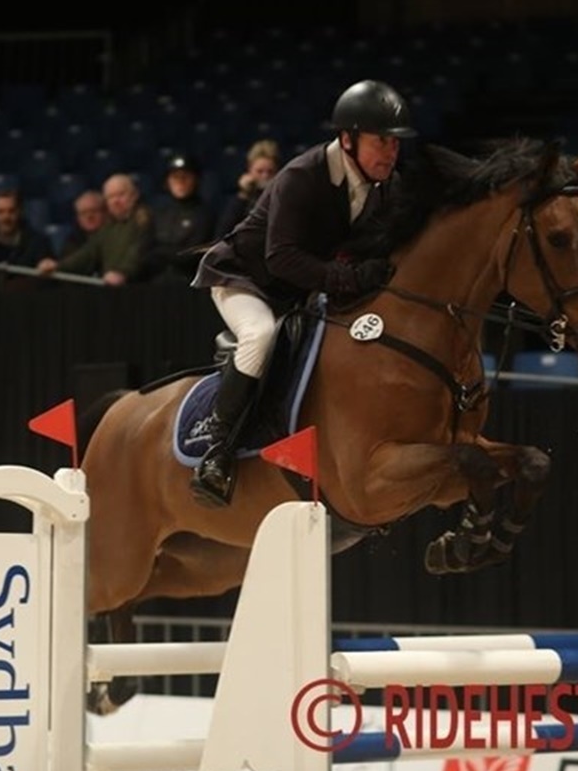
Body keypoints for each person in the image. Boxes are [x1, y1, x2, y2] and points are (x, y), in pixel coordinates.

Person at [188, 79, 415, 508]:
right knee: (260, 335)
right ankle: (217, 453)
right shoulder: (302, 177)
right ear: (347, 139)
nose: (391, 152)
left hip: (299, 291)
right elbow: (282, 259)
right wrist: (350, 278)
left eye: (396, 142)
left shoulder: (387, 187)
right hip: (246, 279)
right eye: (381, 141)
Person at [37, 173, 153, 286]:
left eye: (121, 194)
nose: (115, 201)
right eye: (110, 197)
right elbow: (88, 254)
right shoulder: (109, 227)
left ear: (134, 195)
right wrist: (57, 266)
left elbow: (139, 254)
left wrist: (123, 273)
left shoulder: (145, 221)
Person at [137, 153, 217, 285]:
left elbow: (193, 254)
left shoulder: (205, 214)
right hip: (157, 282)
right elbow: (144, 252)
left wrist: (161, 253)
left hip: (190, 284)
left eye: (186, 176)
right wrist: (171, 254)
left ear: (196, 180)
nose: (180, 182)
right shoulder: (159, 212)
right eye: (175, 177)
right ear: (167, 181)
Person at [0, 189, 55, 268]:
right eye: (0, 212)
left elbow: (49, 263)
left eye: (11, 211)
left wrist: (47, 265)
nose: (6, 217)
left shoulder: (38, 243)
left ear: (20, 212)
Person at [214, 139, 280, 238]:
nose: (265, 176)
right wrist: (243, 194)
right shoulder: (243, 197)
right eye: (259, 171)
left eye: (270, 171)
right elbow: (223, 232)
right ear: (250, 170)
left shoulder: (280, 196)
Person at [59, 189, 108, 258]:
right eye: (83, 213)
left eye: (93, 211)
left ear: (105, 213)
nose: (89, 216)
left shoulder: (115, 236)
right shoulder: (72, 243)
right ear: (78, 218)